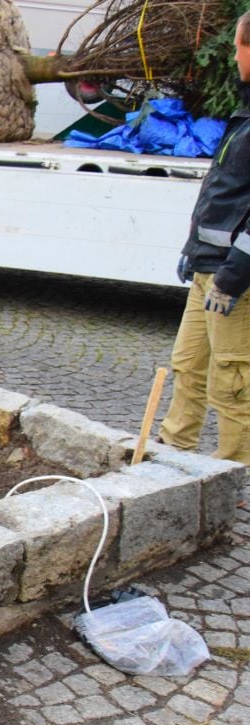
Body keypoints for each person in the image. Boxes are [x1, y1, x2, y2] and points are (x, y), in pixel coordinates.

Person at [159, 10, 250, 465]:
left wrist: (234, 276)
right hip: (207, 266)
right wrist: (192, 250)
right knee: (188, 366)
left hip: (234, 280)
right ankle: (174, 457)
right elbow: (224, 195)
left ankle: (235, 474)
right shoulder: (245, 113)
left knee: (232, 382)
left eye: (238, 46)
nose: (234, 56)